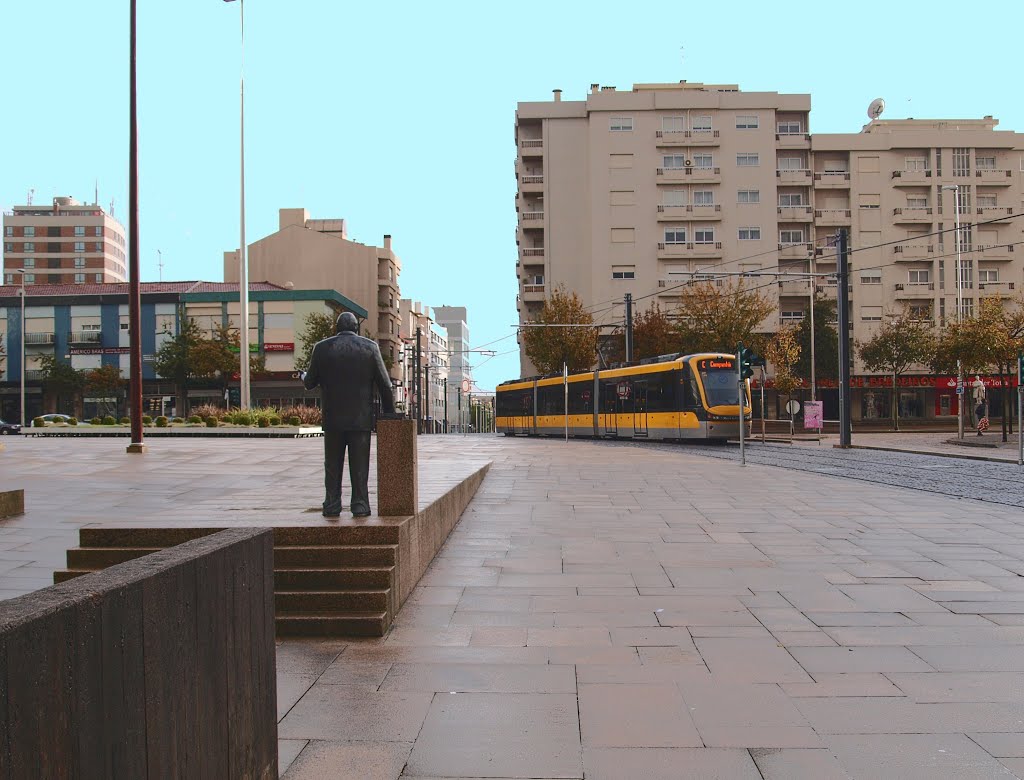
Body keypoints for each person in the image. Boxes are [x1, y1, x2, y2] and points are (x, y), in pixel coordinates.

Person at [303, 312, 395, 517]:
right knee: (360, 466)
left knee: (332, 465)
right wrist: (390, 414)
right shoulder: (369, 348)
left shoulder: (321, 348)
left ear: (337, 328)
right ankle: (360, 504)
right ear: (356, 328)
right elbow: (385, 385)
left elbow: (309, 382)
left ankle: (332, 504)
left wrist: (303, 375)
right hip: (360, 419)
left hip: (333, 418)